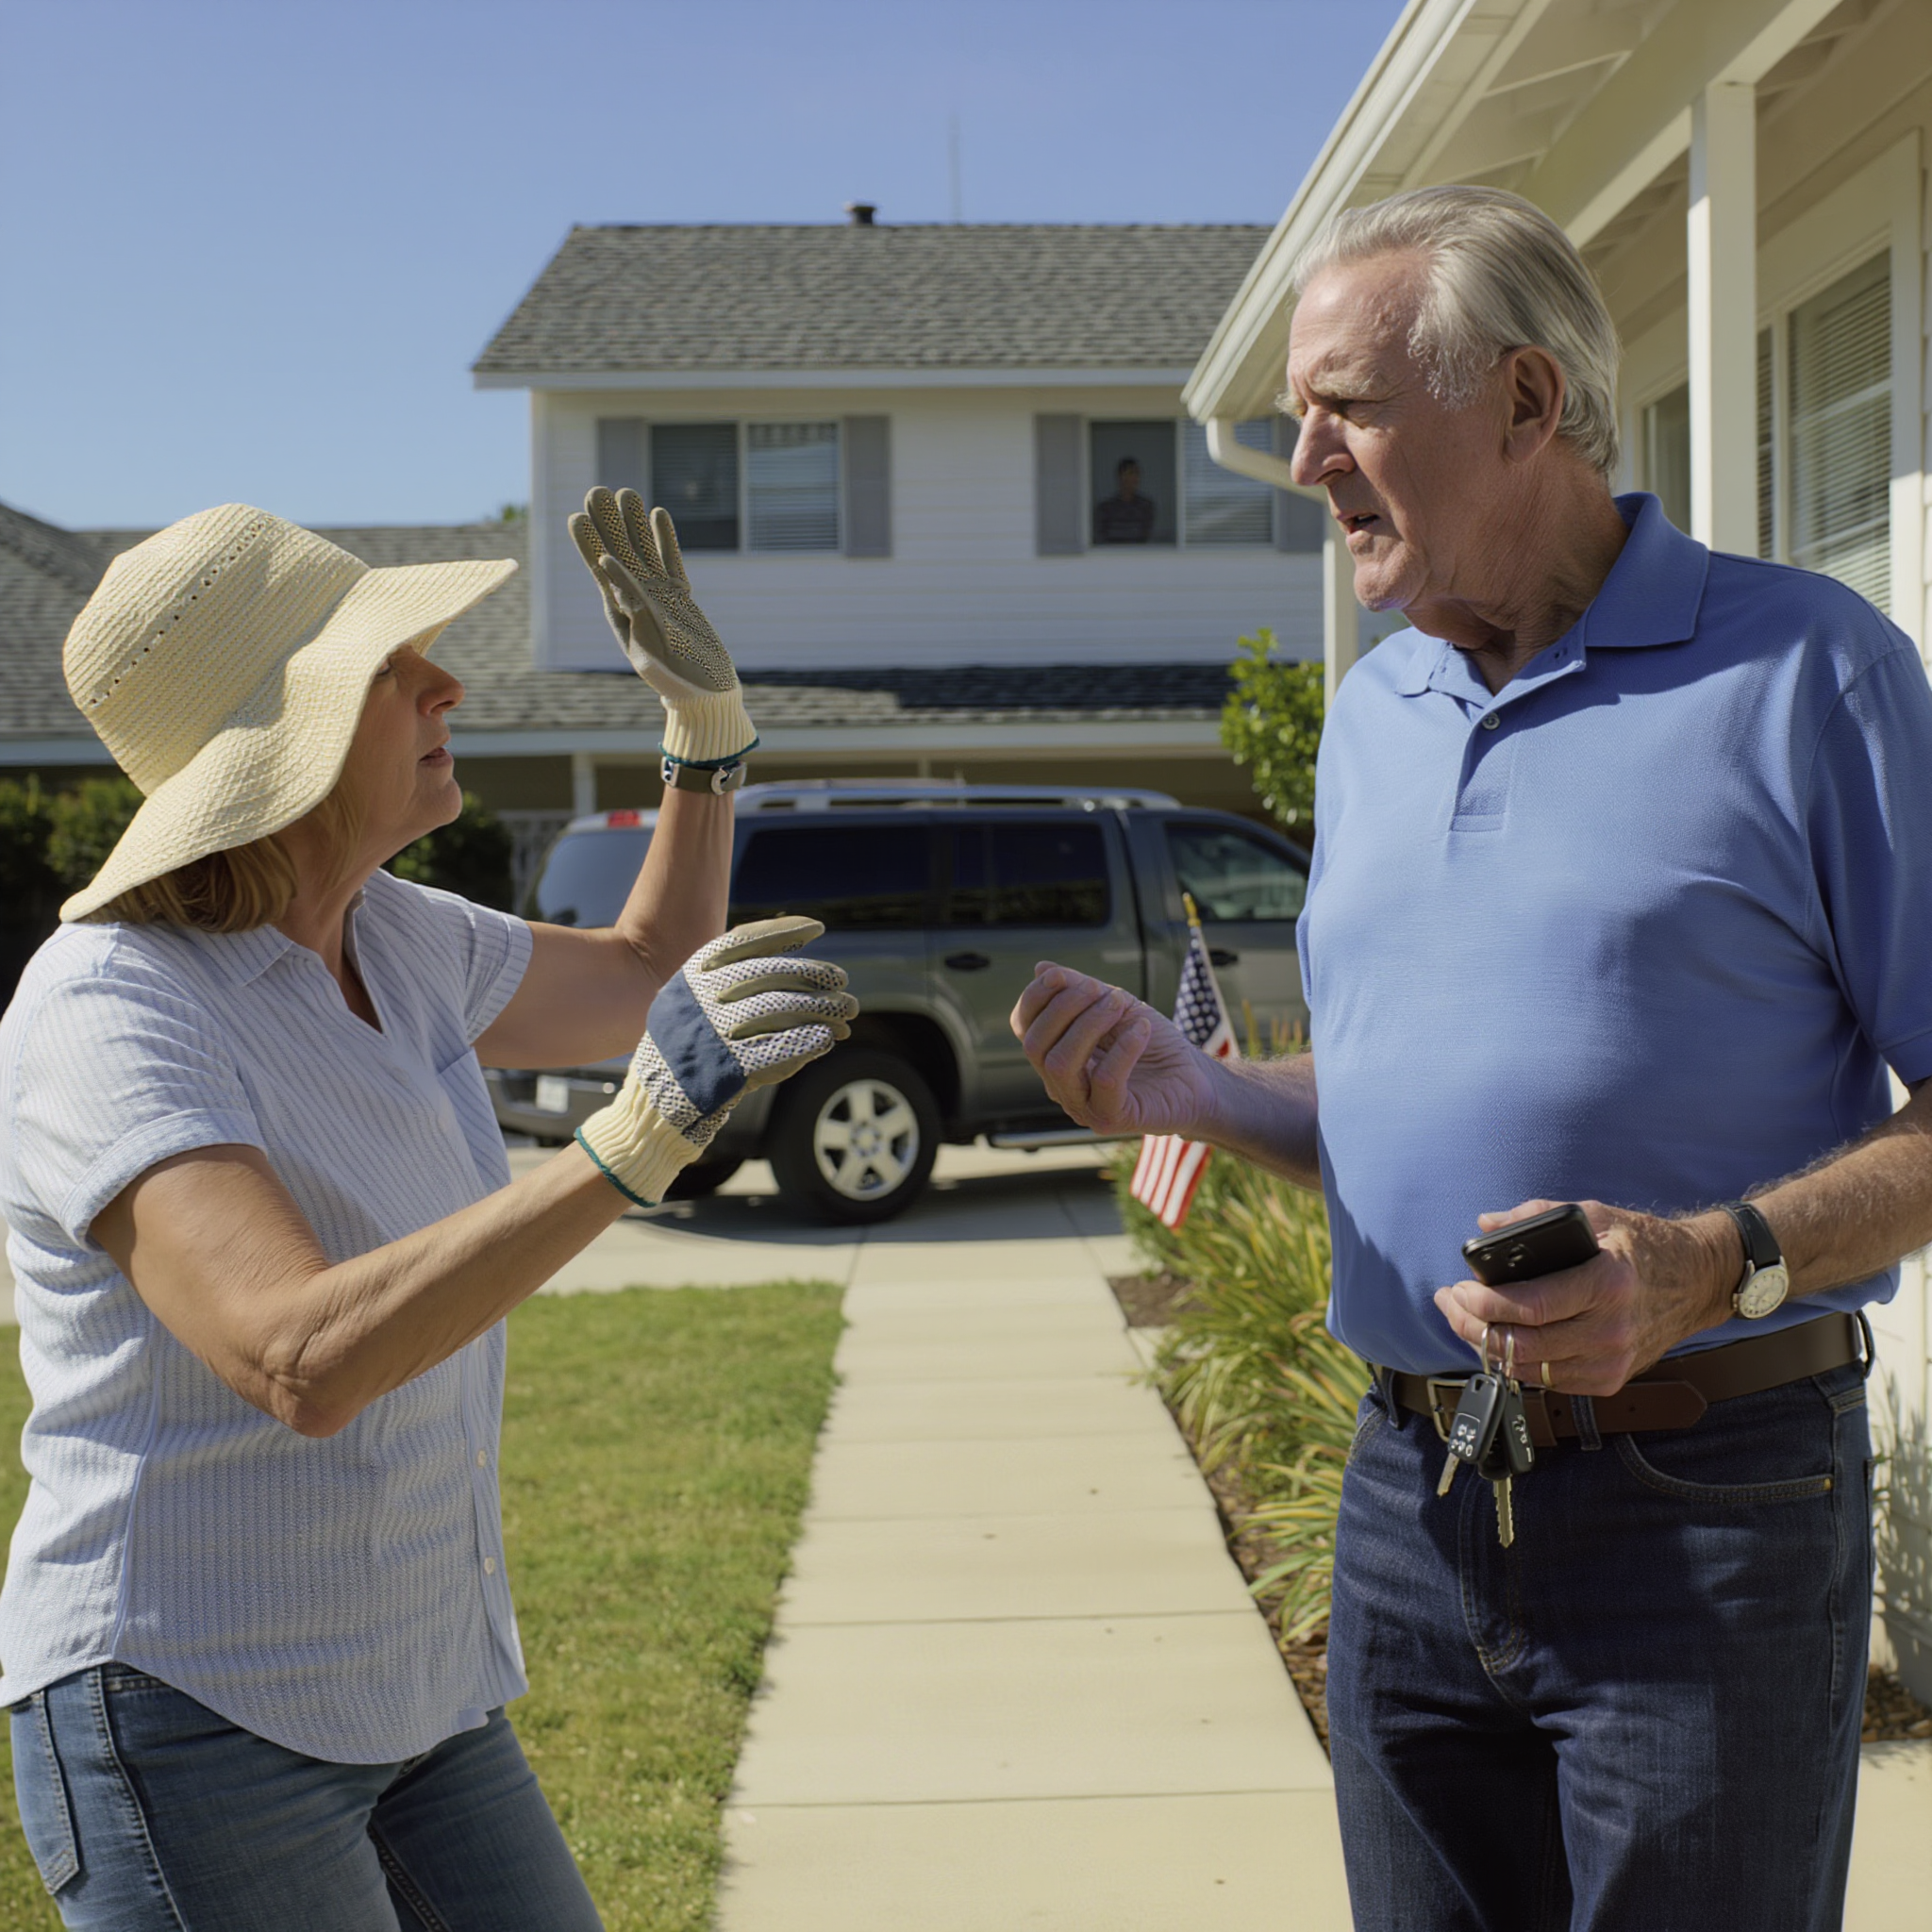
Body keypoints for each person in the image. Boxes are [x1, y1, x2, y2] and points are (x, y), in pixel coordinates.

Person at [1012, 184, 1932, 1930]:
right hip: (1406, 1502)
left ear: (1521, 403)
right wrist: (1196, 1092)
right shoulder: (1372, 717)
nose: (1300, 459)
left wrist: (1706, 1260)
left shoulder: (1808, 669)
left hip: (1705, 1506)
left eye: (1346, 405)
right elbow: (1390, 1098)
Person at [0, 487, 857, 1930]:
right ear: (292, 745)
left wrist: (704, 743)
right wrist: (624, 1149)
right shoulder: (108, 1009)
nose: (445, 685)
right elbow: (294, 1356)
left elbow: (645, 968)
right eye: (394, 671)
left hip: (416, 1683)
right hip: (196, 1710)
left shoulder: (398, 934)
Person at [1092, 456, 1157, 543]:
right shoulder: (1105, 508)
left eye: (1137, 474)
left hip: (1138, 555)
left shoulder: (1146, 506)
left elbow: (1145, 536)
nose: (1135, 478)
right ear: (1121, 477)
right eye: (1131, 473)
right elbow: (1101, 538)